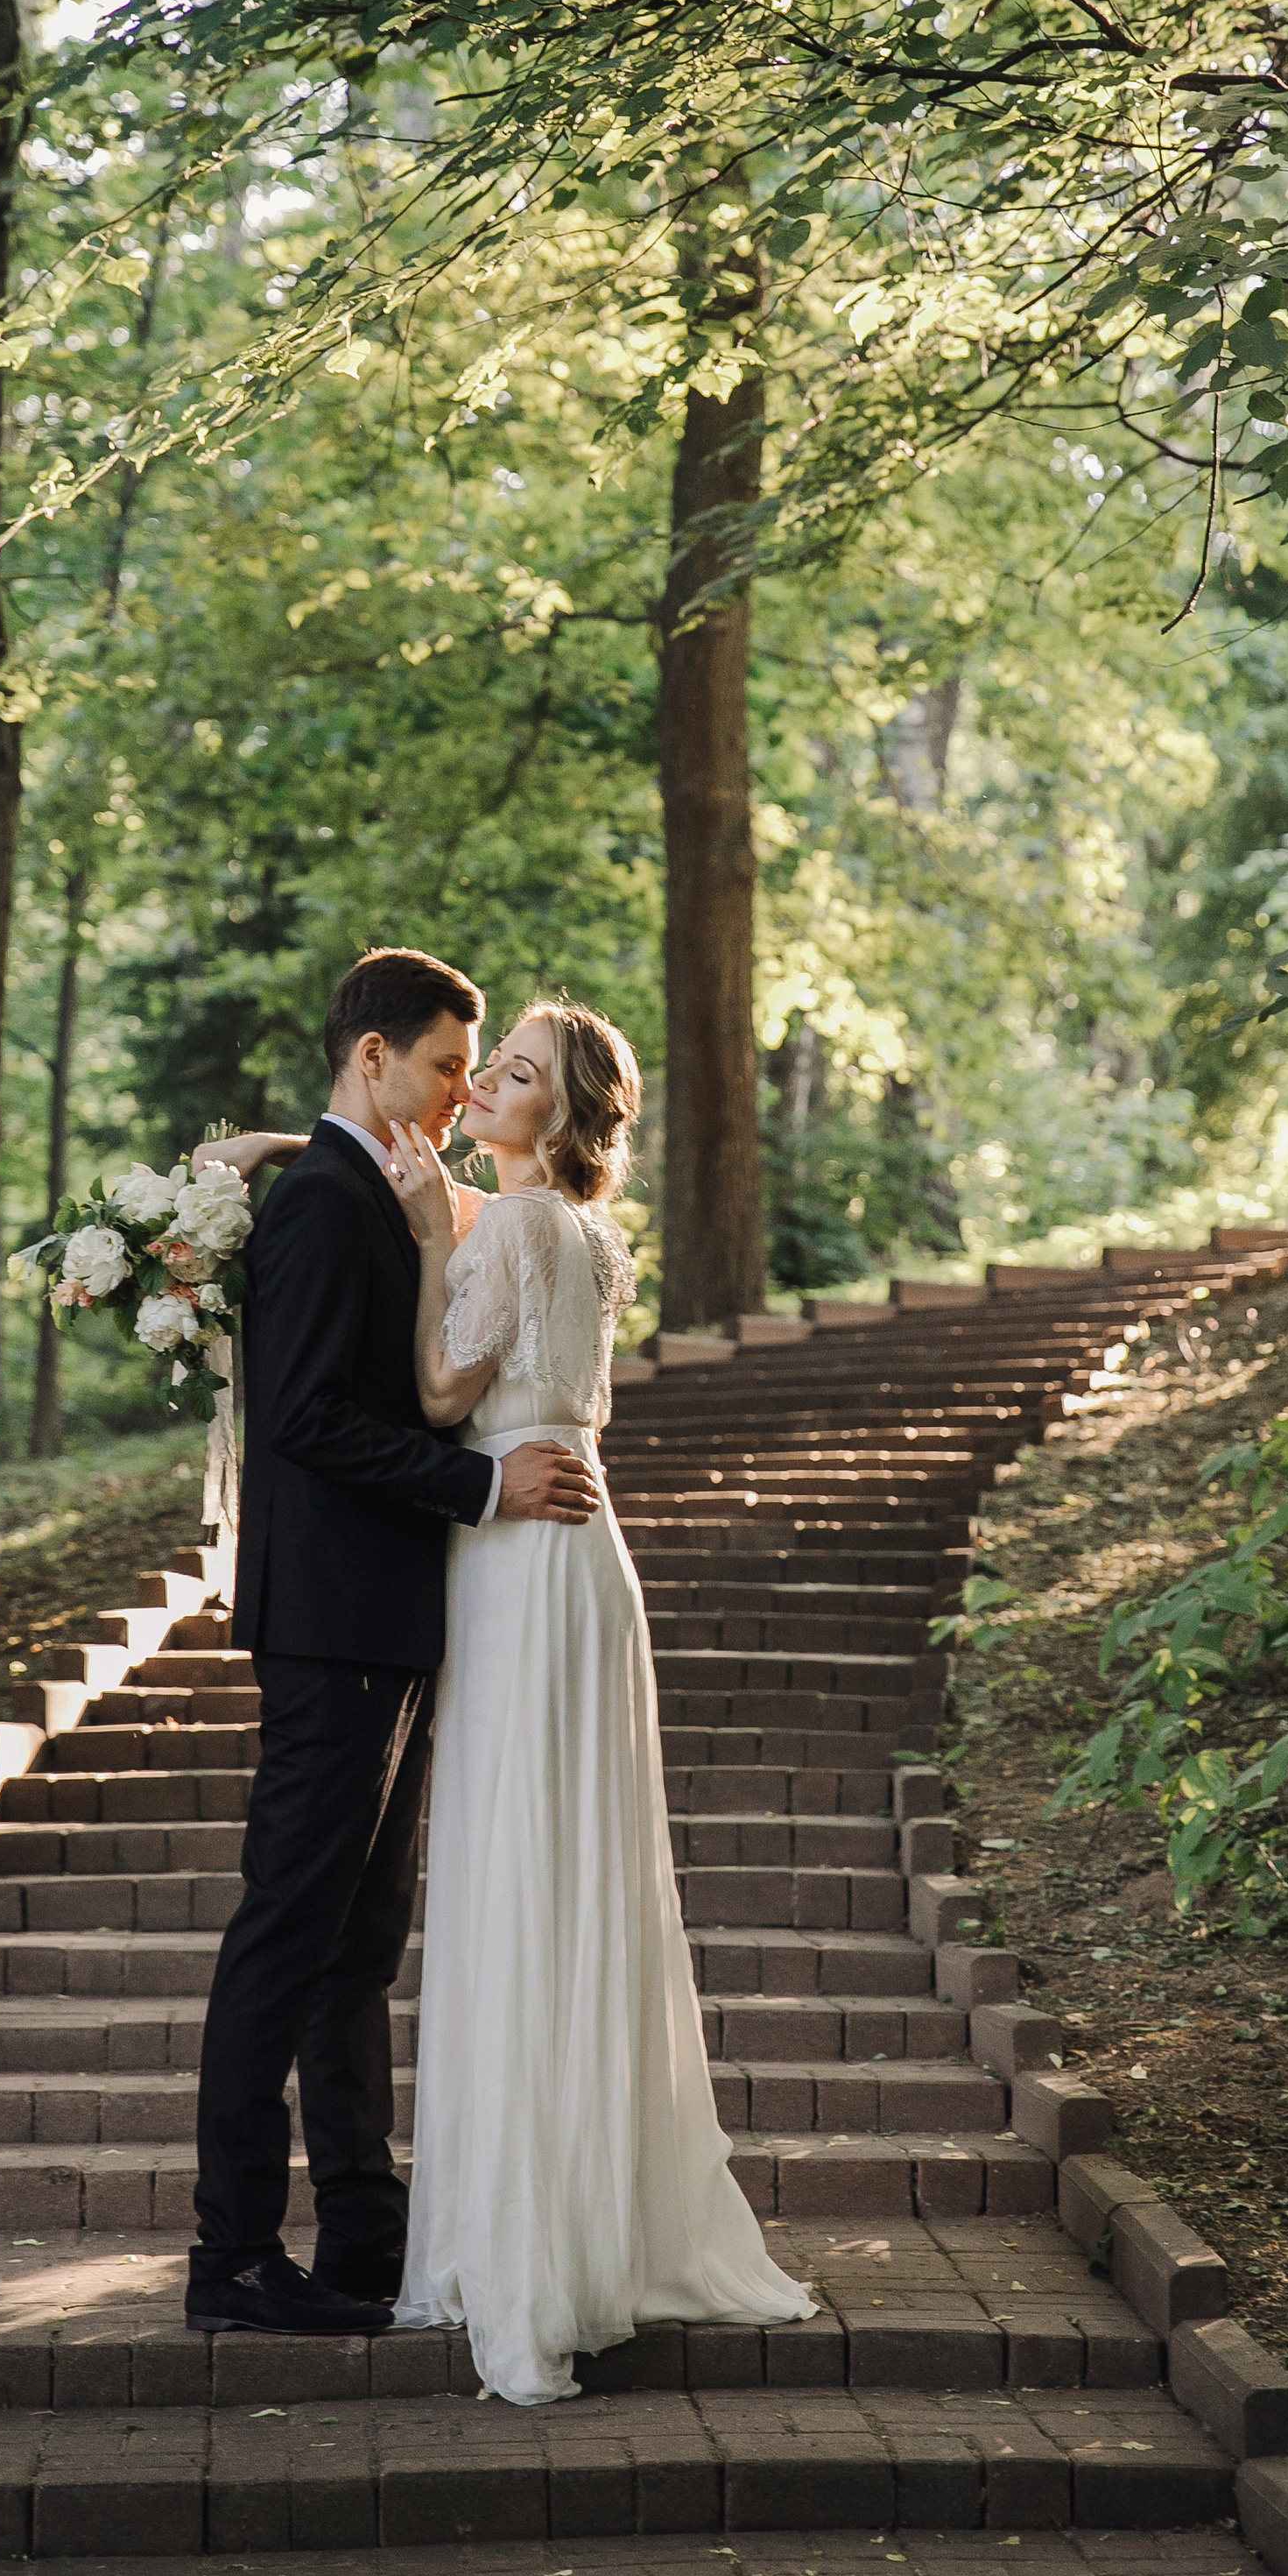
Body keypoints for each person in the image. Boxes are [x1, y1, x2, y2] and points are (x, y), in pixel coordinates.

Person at [384, 999, 815, 2404]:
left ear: (556, 1116)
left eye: (509, 1073)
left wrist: (432, 1243)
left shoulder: (504, 1232)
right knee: (578, 1875)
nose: (483, 1084)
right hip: (583, 1557)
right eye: (485, 1064)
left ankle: (521, 2259)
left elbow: (448, 1394)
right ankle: (593, 2233)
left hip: (515, 1551)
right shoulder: (588, 1233)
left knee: (518, 1870)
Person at [184, 948, 598, 2341]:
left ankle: (364, 2233)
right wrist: (483, 1488)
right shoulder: (320, 1208)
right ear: (376, 1057)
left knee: (360, 1945)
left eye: (478, 1071)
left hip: (399, 1625)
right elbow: (303, 1419)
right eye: (441, 1065)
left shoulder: (374, 1179)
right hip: (331, 1628)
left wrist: (289, 1137)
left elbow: (471, 1198)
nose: (460, 1089)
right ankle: (232, 2259)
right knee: (286, 1937)